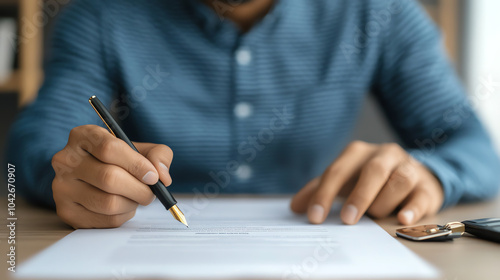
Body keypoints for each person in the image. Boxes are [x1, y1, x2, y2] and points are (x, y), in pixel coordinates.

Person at [7, 0, 500, 229]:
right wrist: (71, 169)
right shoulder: (99, 15)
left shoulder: (379, 11)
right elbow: (35, 144)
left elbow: (475, 149)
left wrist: (431, 174)